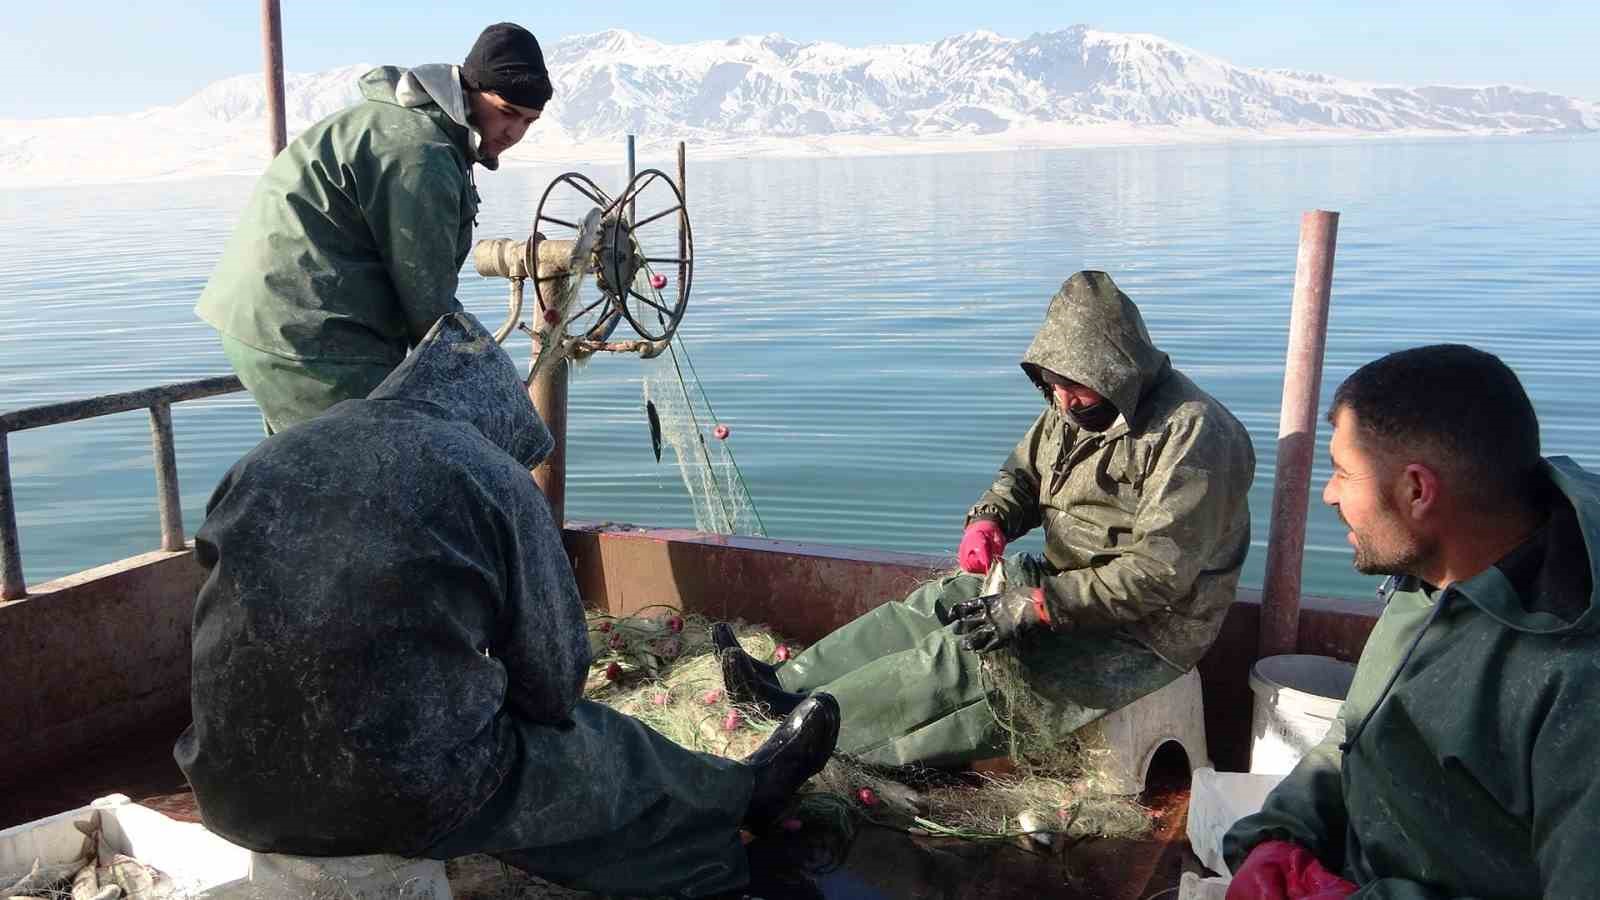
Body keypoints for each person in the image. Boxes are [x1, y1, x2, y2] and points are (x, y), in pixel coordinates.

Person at [175, 311, 841, 898]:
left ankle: (730, 808)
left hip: (225, 784)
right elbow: (553, 690)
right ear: (496, 421)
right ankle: (737, 812)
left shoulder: (268, 457)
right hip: (390, 791)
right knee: (586, 758)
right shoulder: (492, 476)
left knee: (449, 763)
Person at [718, 271, 1255, 767]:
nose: (1063, 401)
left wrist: (1039, 605)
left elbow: (1156, 576)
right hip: (1062, 584)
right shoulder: (1072, 406)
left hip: (1144, 630)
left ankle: (812, 730)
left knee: (960, 660)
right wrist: (990, 519)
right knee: (936, 604)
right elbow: (1022, 475)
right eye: (1053, 383)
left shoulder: (1193, 435)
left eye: (1076, 386)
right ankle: (784, 684)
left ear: (1118, 371)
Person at [1223, 345, 1600, 899]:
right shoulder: (1435, 571)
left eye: (1343, 472)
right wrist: (1280, 835)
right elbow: (1356, 732)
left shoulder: (1575, 685)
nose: (1328, 493)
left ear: (1418, 491)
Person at [195, 23, 552, 433]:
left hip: (273, 320)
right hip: (309, 336)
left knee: (312, 467)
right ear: (468, 92)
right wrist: (497, 385)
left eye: (529, 122)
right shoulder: (419, 153)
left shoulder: (400, 125)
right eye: (506, 113)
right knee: (368, 470)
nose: (514, 133)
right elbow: (428, 306)